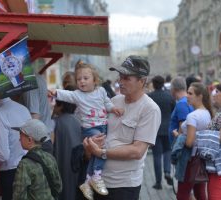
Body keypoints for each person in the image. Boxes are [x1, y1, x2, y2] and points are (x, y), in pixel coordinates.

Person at [84, 55, 161, 200]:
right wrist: (92, 145)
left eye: (126, 78)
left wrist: (101, 152)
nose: (120, 82)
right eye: (120, 77)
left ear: (142, 81)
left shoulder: (150, 109)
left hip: (124, 186)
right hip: (99, 181)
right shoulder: (114, 101)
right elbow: (103, 133)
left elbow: (137, 151)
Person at [49, 62, 124, 199]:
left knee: (97, 153)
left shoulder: (101, 91)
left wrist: (113, 109)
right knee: (102, 148)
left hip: (103, 126)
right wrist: (55, 93)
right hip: (90, 128)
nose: (81, 81)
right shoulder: (77, 95)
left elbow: (107, 102)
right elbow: (67, 95)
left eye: (85, 78)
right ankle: (96, 175)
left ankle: (88, 180)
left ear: (94, 80)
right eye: (79, 79)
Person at [174, 82, 213, 200]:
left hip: (189, 160)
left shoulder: (192, 116)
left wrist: (178, 136)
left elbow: (189, 142)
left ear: (200, 96)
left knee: (182, 193)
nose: (187, 95)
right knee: (200, 193)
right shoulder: (207, 113)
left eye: (190, 93)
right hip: (201, 158)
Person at [12, 119, 62, 200]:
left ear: (29, 140)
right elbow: (58, 187)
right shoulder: (50, 157)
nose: (19, 139)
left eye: (21, 134)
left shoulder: (25, 164)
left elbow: (18, 196)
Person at [53, 85, 83, 200]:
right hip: (76, 169)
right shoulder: (80, 121)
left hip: (60, 169)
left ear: (60, 105)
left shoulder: (55, 123)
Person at [148, 75, 175, 189]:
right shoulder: (169, 96)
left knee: (157, 155)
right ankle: (167, 172)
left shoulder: (150, 97)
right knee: (168, 151)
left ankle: (158, 182)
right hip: (168, 129)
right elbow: (173, 111)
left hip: (155, 130)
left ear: (153, 84)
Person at [21, 74, 54, 154]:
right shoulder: (39, 77)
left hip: (38, 143)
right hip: (45, 139)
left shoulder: (29, 82)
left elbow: (34, 119)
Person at [169, 76, 194, 144]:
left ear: (174, 89)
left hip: (179, 144)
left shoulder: (181, 104)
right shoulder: (187, 101)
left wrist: (178, 138)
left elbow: (183, 127)